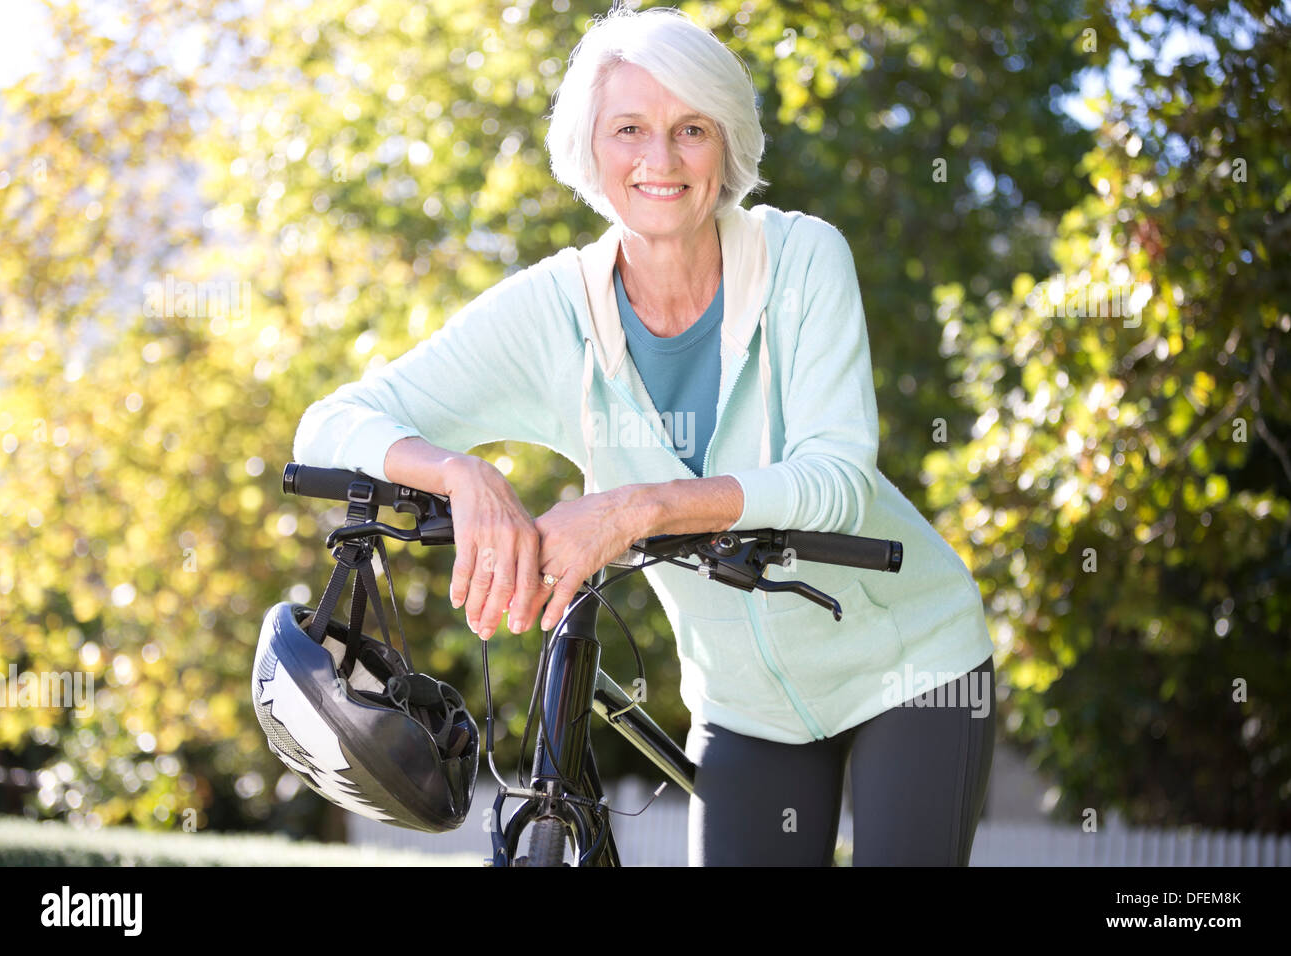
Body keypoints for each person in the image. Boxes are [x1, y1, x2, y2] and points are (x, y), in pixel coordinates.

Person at [293, 4, 996, 866]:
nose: (659, 160)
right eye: (629, 128)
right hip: (748, 709)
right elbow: (329, 426)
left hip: (910, 664)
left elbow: (836, 478)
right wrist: (462, 476)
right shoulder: (553, 313)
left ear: (727, 145)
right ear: (591, 148)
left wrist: (631, 510)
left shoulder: (803, 260)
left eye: (690, 129)